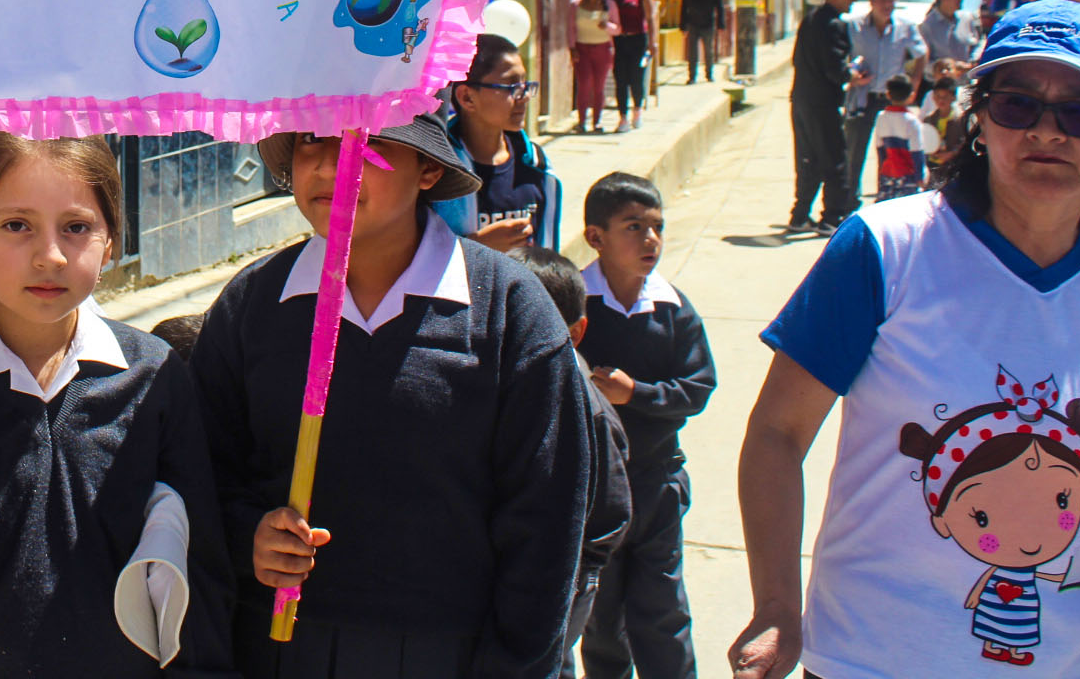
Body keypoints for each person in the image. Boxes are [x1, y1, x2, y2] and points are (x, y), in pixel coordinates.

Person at [730, 0, 1080, 679]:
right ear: (977, 118)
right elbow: (777, 434)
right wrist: (776, 605)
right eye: (1017, 104)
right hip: (867, 660)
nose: (1048, 131)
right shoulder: (886, 248)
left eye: (1078, 108)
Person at [193, 113, 589, 676]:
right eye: (310, 139)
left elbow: (548, 527)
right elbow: (201, 474)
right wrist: (248, 535)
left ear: (427, 168)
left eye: (368, 140)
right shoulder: (252, 304)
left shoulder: (510, 311)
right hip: (277, 650)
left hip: (454, 655)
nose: (332, 164)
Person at [0, 135, 237, 677]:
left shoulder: (155, 377)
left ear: (112, 242)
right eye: (16, 226)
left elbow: (200, 575)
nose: (49, 255)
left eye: (76, 228)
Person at [576, 172, 716, 679]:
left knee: (662, 611)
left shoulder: (673, 310)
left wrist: (636, 394)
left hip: (657, 485)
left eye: (657, 226)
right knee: (601, 615)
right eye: (633, 227)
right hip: (597, 491)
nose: (650, 240)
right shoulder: (576, 308)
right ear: (596, 237)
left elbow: (697, 388)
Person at [517, 246, 633, 679]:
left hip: (556, 594)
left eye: (530, 324)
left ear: (576, 332)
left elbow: (610, 516)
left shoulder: (589, 411)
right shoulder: (501, 389)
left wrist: (570, 583)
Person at [441, 32, 563, 251]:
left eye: (526, 85)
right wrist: (478, 247)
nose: (524, 96)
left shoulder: (536, 165)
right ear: (467, 97)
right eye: (511, 86)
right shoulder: (437, 168)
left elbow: (548, 259)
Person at [844, 0, 930, 204]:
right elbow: (842, 56)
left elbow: (921, 53)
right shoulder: (854, 27)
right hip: (864, 97)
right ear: (872, 2)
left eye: (891, 1)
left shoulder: (906, 27)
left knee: (894, 152)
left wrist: (914, 84)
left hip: (893, 100)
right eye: (883, 0)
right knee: (855, 150)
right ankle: (850, 200)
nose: (887, 6)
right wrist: (850, 76)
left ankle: (887, 198)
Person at [788, 0, 857, 234]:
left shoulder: (809, 20)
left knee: (808, 158)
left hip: (802, 99)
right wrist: (852, 76)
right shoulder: (833, 25)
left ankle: (799, 215)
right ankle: (832, 217)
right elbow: (835, 67)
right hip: (824, 103)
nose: (851, 2)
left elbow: (797, 58)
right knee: (835, 157)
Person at [872, 75, 940, 201]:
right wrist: (920, 177)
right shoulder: (912, 121)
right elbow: (917, 151)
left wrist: (881, 172)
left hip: (888, 173)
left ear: (888, 94)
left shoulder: (881, 117)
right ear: (912, 96)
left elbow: (880, 148)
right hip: (908, 176)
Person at [610, 0, 658, 131]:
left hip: (638, 41)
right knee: (620, 79)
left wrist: (653, 41)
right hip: (619, 42)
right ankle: (622, 117)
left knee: (637, 78)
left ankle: (637, 111)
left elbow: (651, 18)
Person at [573, 0, 622, 133]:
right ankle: (581, 122)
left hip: (602, 49)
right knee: (584, 84)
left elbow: (618, 29)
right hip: (582, 49)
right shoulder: (576, 4)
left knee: (599, 86)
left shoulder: (609, 5)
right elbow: (570, 28)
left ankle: (597, 122)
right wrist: (571, 48)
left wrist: (607, 26)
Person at [920, 0, 981, 77]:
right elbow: (924, 61)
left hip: (968, 82)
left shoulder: (966, 19)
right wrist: (944, 68)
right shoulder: (928, 26)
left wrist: (973, 62)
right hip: (944, 87)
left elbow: (977, 45)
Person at [679, 0, 726, 85]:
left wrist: (721, 25)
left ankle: (709, 74)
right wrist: (683, 26)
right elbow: (683, 9)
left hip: (708, 26)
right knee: (692, 53)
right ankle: (692, 77)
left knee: (708, 51)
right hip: (693, 25)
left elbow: (720, 9)